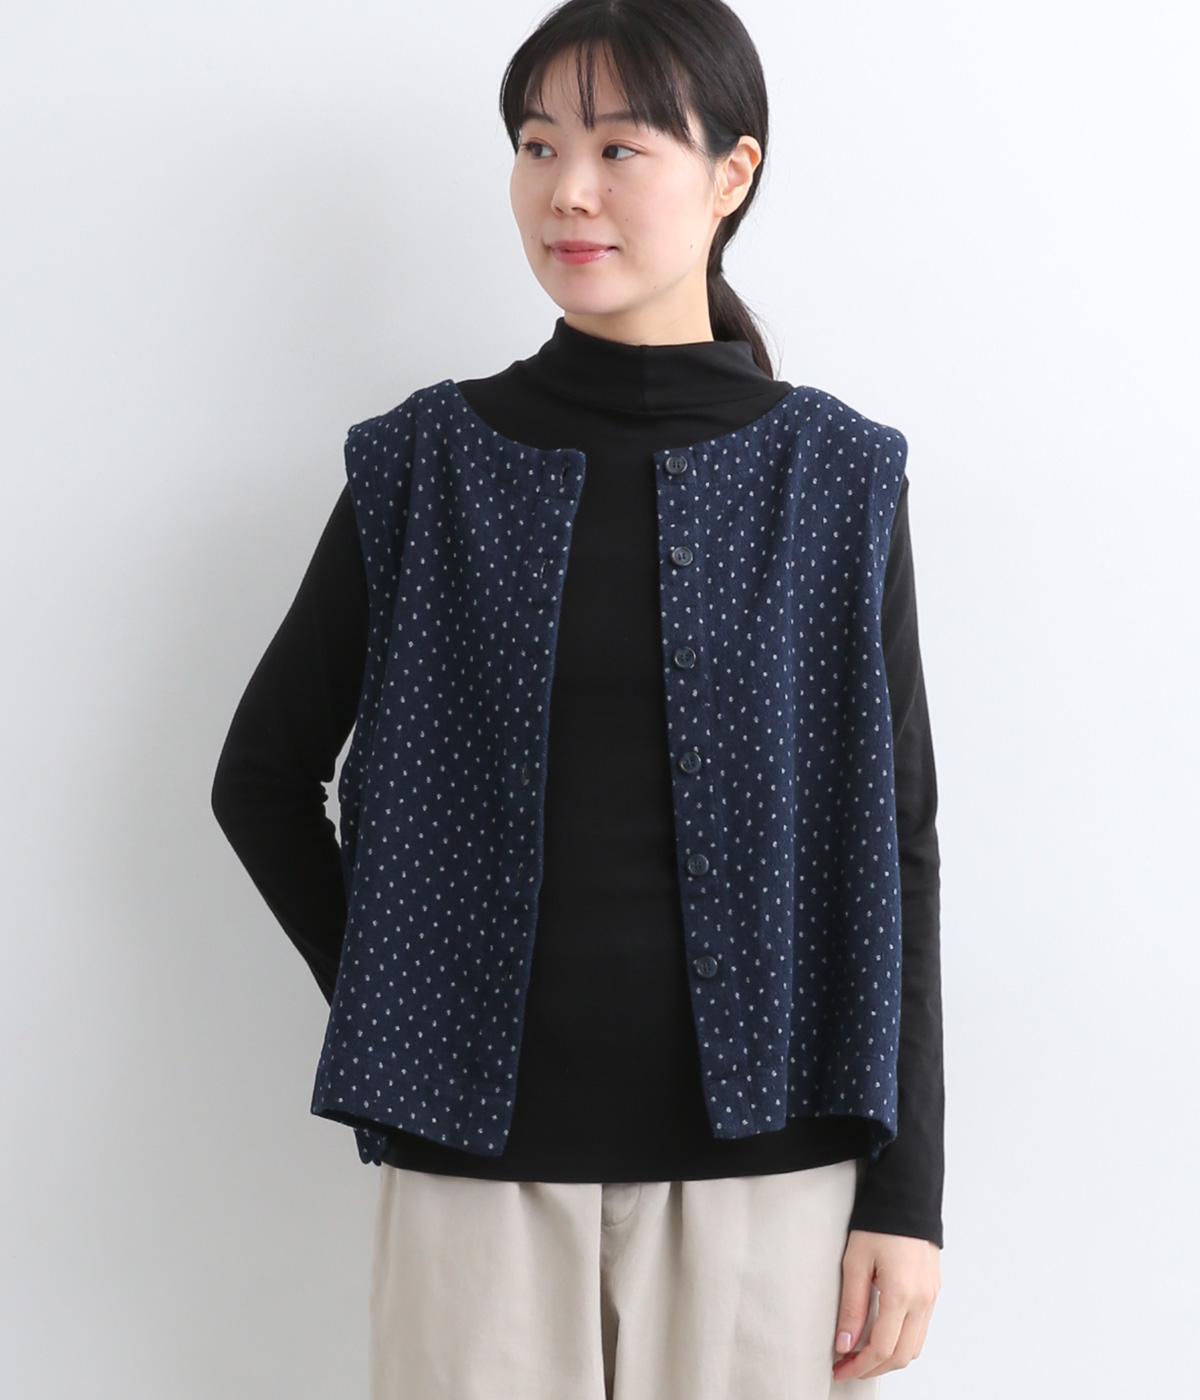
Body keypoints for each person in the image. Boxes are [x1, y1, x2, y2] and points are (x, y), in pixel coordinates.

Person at [211, 2, 944, 1395]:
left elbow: (894, 848)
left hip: (769, 1166)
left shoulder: (838, 477)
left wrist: (907, 1200)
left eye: (620, 147)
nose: (569, 191)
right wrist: (406, 999)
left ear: (732, 173)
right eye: (539, 145)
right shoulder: (426, 464)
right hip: (474, 1169)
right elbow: (258, 779)